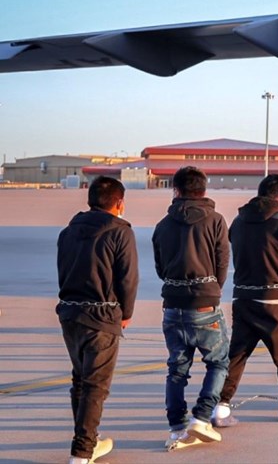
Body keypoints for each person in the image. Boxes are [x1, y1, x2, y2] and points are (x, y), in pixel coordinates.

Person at [213, 174, 278, 426]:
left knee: (236, 355)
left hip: (244, 297)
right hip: (276, 299)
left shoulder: (238, 221)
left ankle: (221, 405)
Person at [56, 176, 138, 464]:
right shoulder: (120, 231)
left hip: (69, 314)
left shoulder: (68, 231)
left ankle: (89, 440)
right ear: (119, 203)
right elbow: (128, 278)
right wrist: (126, 313)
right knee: (95, 385)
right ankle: (82, 451)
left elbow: (62, 272)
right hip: (101, 316)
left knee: (81, 380)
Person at [151, 167, 230, 450]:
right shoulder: (217, 221)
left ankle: (176, 427)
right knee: (219, 362)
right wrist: (211, 288)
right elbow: (222, 263)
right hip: (205, 302)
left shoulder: (162, 225)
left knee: (176, 369)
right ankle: (202, 416)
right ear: (204, 190)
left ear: (176, 190)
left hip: (173, 304)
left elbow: (161, 268)